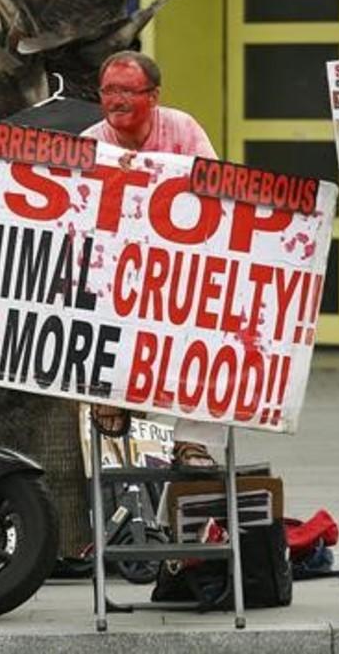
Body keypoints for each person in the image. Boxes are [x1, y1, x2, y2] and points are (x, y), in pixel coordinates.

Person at [81, 50, 224, 469]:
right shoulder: (91, 144)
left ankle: (192, 443)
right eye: (108, 90)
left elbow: (216, 191)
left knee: (213, 331)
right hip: (115, 282)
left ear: (154, 96)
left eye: (127, 90)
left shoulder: (182, 128)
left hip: (177, 275)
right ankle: (114, 425)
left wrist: (154, 173)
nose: (116, 100)